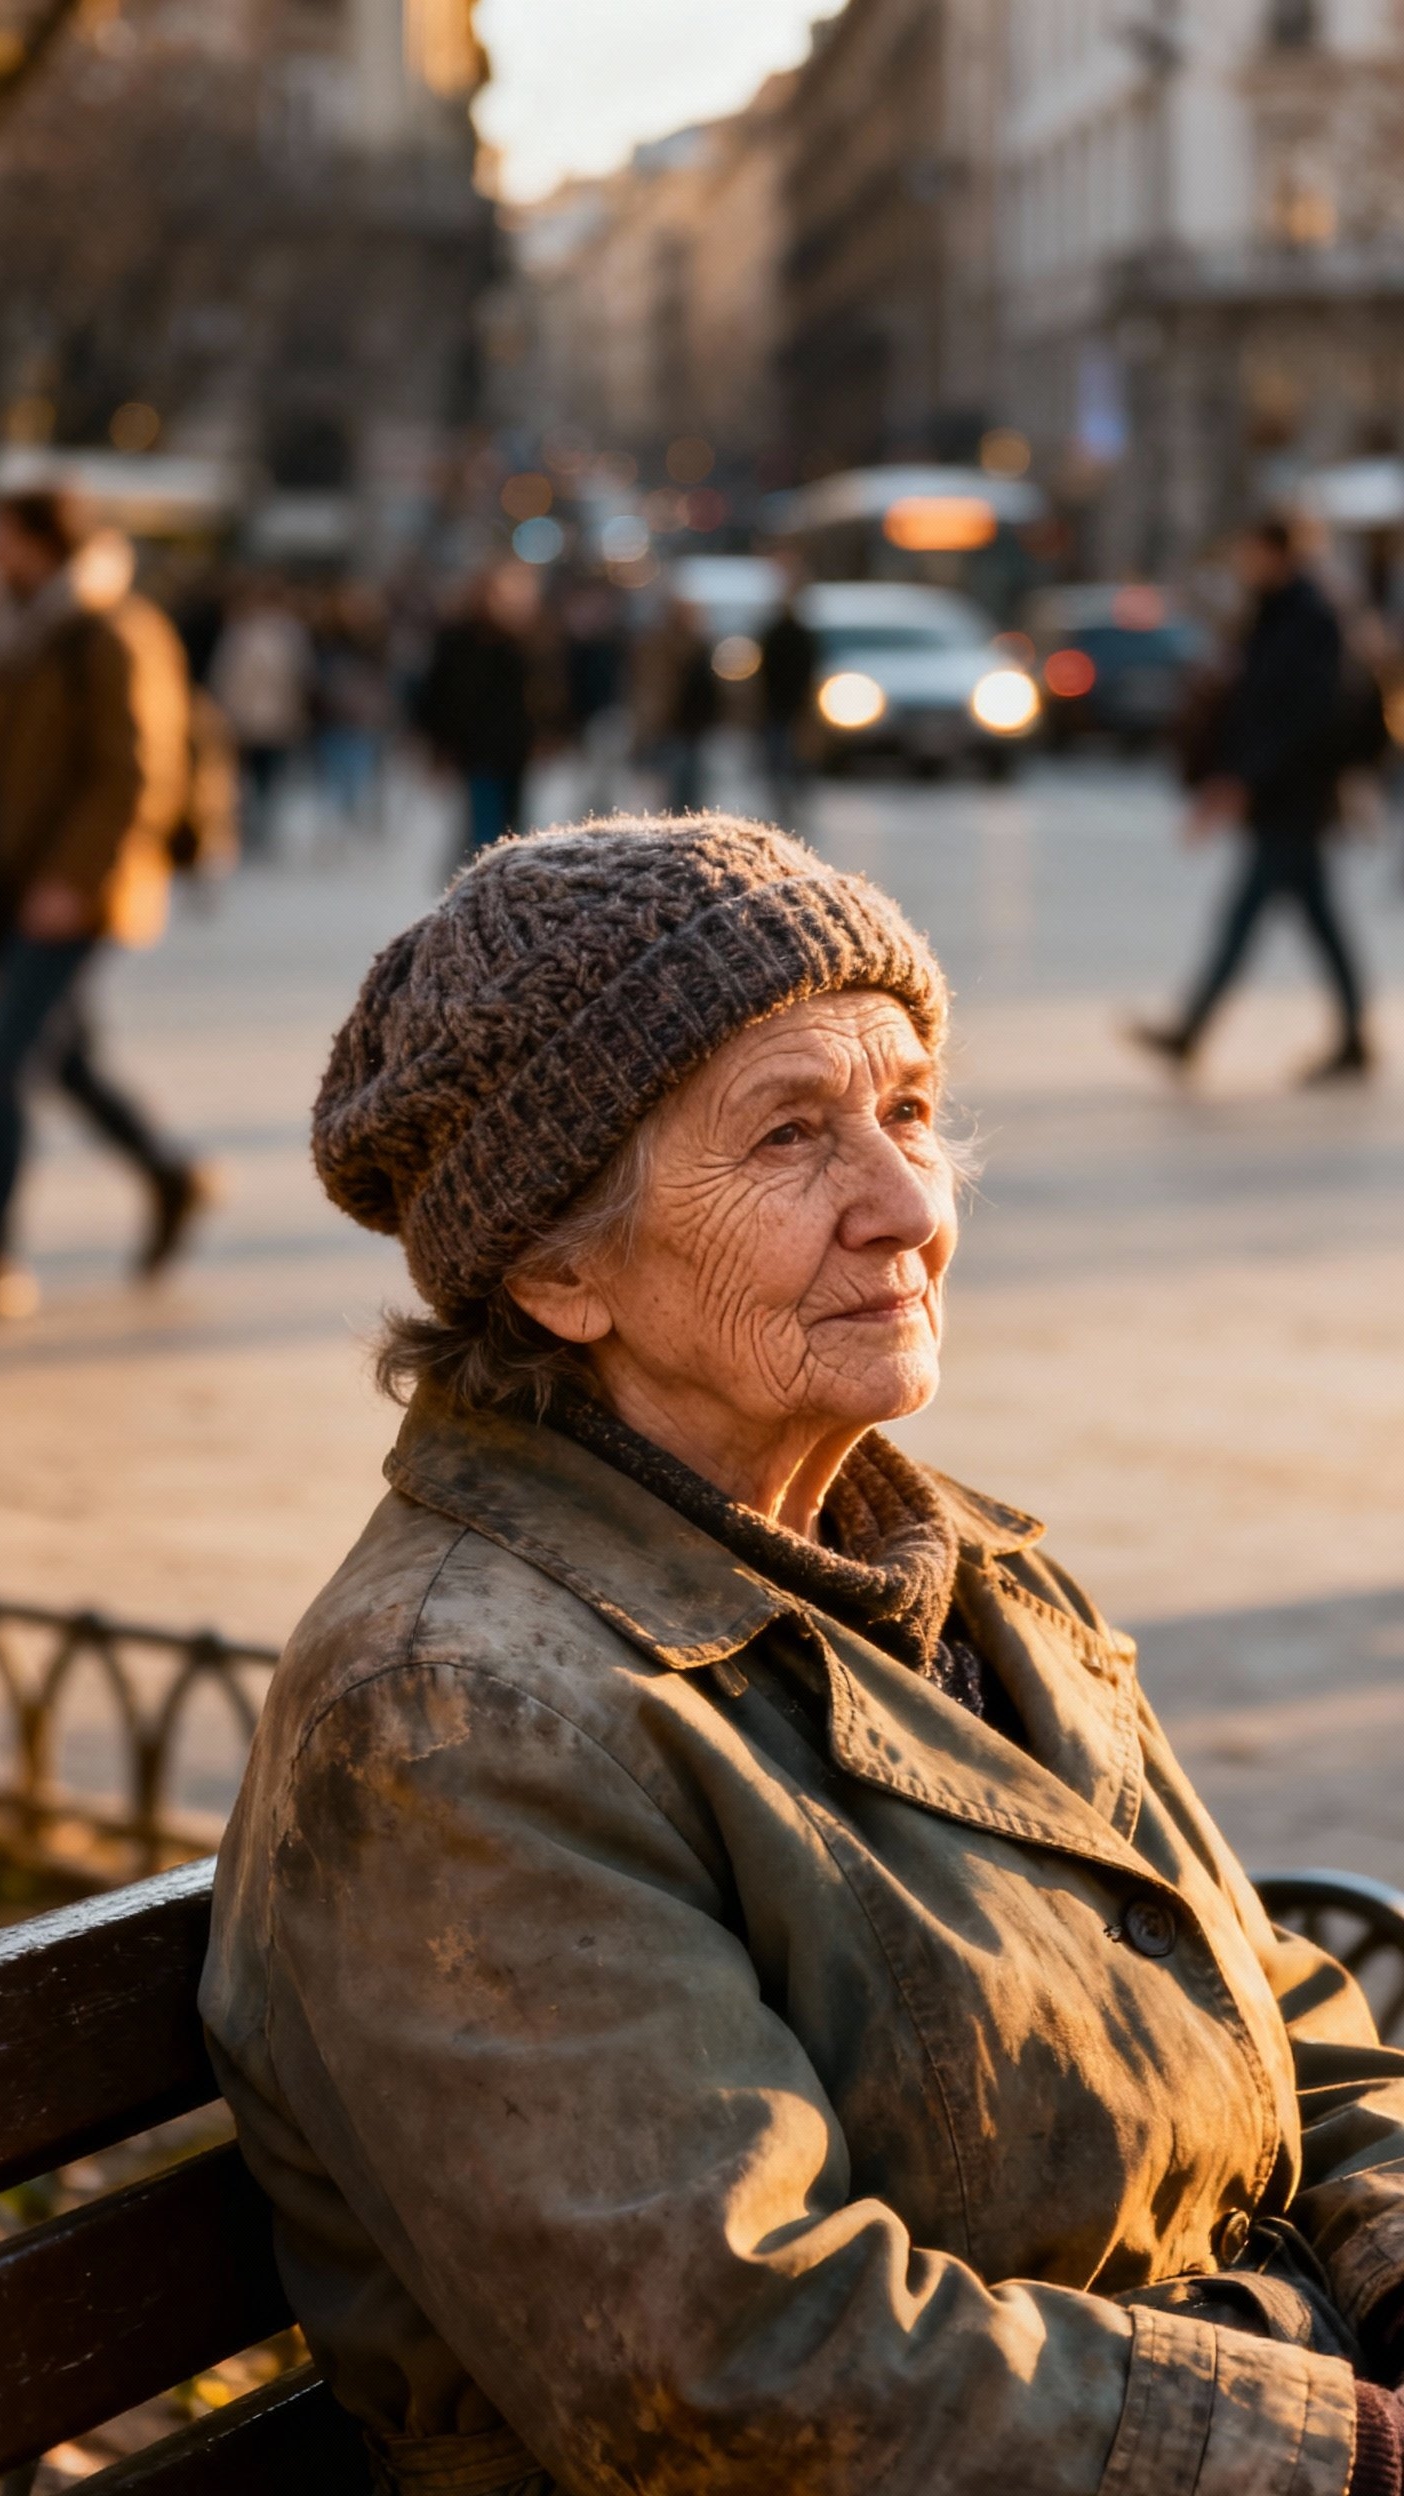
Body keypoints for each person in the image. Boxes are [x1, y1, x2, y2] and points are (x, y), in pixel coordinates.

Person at [204, 814, 1404, 2496]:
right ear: (557, 1266)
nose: (907, 1204)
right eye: (788, 1136)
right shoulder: (455, 1721)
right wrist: (1343, 2450)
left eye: (906, 1109)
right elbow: (736, 2366)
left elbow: (1258, 1996)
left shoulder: (943, 1562)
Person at [0, 490, 214, 1320]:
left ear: (43, 543)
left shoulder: (113, 629)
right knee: (63, 1060)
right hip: (16, 883)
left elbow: (136, 770)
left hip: (73, 891)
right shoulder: (26, 630)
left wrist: (73, 879)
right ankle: (169, 1173)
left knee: (6, 1062)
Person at [1132, 518, 1373, 1084]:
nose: (1245, 565)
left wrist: (1239, 781)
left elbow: (1297, 717)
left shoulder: (1309, 617)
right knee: (1317, 918)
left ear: (1278, 553)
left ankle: (1191, 1030)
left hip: (1294, 795)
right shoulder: (1273, 612)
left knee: (1246, 917)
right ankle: (1354, 1038)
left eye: (1252, 553)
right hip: (1282, 795)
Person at [414, 564, 538, 869]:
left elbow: (533, 696)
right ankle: (483, 874)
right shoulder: (456, 641)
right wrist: (437, 745)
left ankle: (496, 872)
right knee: (484, 821)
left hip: (511, 746)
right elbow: (438, 696)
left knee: (509, 820)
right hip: (475, 746)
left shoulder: (518, 640)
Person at [207, 581, 314, 859]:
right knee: (262, 778)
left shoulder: (245, 634)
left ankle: (255, 829)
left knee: (255, 778)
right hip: (262, 718)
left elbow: (225, 678)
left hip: (255, 718)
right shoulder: (284, 635)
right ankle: (256, 829)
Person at [631, 595, 718, 813]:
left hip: (693, 730)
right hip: (671, 728)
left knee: (690, 790)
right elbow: (654, 690)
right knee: (673, 790)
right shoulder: (664, 647)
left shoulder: (700, 647)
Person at [759, 592, 819, 826]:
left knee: (790, 755)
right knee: (783, 754)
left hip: (788, 706)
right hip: (782, 706)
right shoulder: (782, 635)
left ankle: (789, 792)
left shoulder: (794, 636)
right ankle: (786, 793)